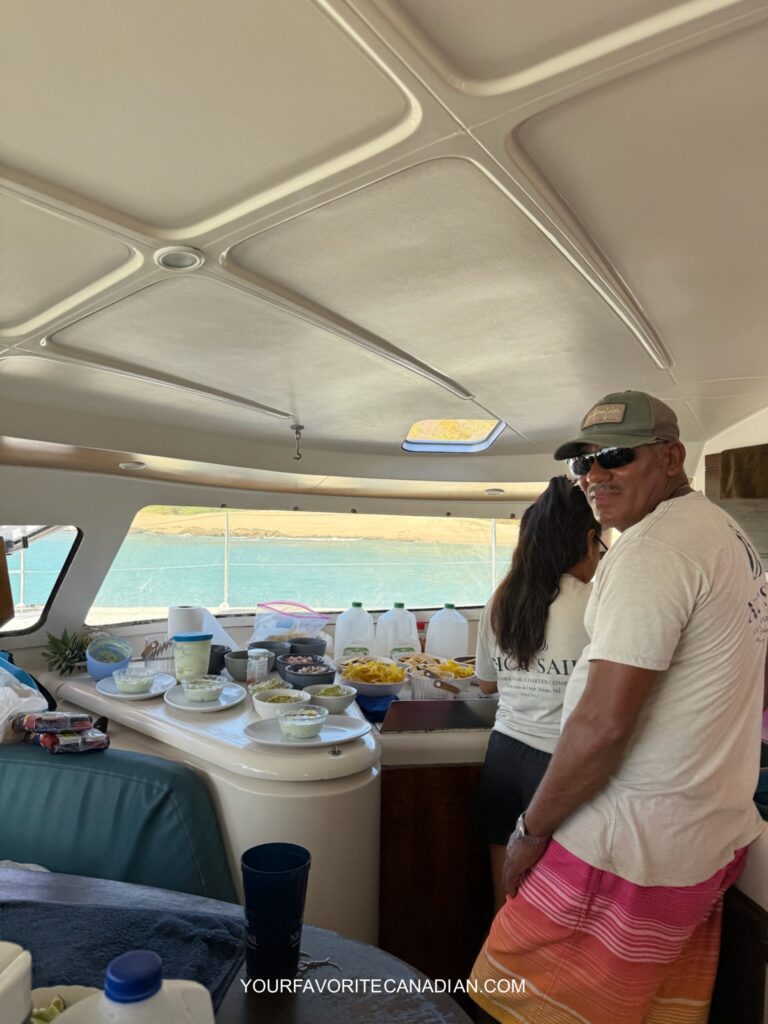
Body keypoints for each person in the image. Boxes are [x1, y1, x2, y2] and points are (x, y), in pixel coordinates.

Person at [470, 390, 767, 1024]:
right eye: (584, 463)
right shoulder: (726, 535)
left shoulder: (652, 549)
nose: (594, 476)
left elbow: (603, 725)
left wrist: (531, 832)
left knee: (508, 1001)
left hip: (625, 848)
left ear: (671, 458)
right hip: (698, 844)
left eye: (614, 456)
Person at [475, 476, 603, 909]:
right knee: (553, 912)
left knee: (506, 899)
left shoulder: (501, 599)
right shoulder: (596, 602)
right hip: (558, 766)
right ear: (588, 541)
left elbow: (487, 683)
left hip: (503, 757)